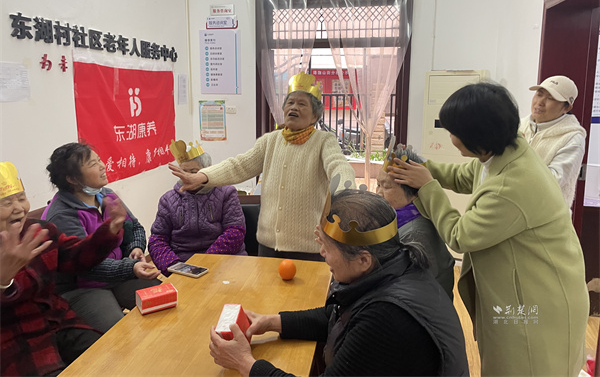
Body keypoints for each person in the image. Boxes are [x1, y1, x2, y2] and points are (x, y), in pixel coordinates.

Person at [387, 82, 589, 376]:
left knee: (520, 365)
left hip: (535, 303)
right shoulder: (505, 150)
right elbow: (464, 175)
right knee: (502, 358)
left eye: (455, 132)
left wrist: (427, 186)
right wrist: (420, 167)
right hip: (523, 289)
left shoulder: (513, 184)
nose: (451, 137)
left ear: (477, 137)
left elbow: (459, 235)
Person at [208, 189, 469, 376]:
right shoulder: (396, 266)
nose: (321, 253)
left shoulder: (386, 317)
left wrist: (245, 363)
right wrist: (271, 321)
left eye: (327, 247)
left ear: (363, 259)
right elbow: (339, 316)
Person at [169, 72, 355, 261]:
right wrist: (202, 176)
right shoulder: (270, 141)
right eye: (290, 102)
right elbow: (239, 165)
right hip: (268, 246)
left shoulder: (324, 141)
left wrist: (347, 196)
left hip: (309, 248)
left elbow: (338, 166)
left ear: (315, 115)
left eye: (302, 104)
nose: (294, 107)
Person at [0, 161, 126, 377]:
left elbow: (76, 257)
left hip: (59, 321)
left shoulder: (39, 231)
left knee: (108, 358)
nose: (19, 208)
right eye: (6, 202)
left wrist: (109, 230)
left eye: (21, 198)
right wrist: (3, 280)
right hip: (15, 340)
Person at [42, 142, 161, 333]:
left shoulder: (106, 195)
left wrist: (135, 248)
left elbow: (135, 227)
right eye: (92, 164)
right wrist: (130, 267)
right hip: (82, 286)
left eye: (99, 160)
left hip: (117, 275)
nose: (102, 166)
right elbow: (87, 267)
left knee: (163, 301)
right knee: (117, 333)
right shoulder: (61, 215)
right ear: (72, 179)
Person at [149, 140, 247, 276]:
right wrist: (175, 267)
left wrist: (205, 262)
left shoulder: (227, 193)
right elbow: (157, 239)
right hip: (183, 263)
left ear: (207, 171)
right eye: (184, 171)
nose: (187, 177)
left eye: (193, 172)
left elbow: (235, 232)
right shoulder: (167, 199)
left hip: (225, 259)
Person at [376, 145, 455, 299]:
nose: (378, 193)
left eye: (386, 187)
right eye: (378, 185)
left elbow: (409, 294)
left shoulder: (414, 234)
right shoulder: (408, 217)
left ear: (413, 193)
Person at [519, 75, 586, 208]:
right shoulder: (519, 125)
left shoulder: (572, 138)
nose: (540, 102)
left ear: (566, 108)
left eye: (550, 98)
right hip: (514, 210)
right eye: (539, 94)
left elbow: (553, 180)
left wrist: (521, 153)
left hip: (547, 215)